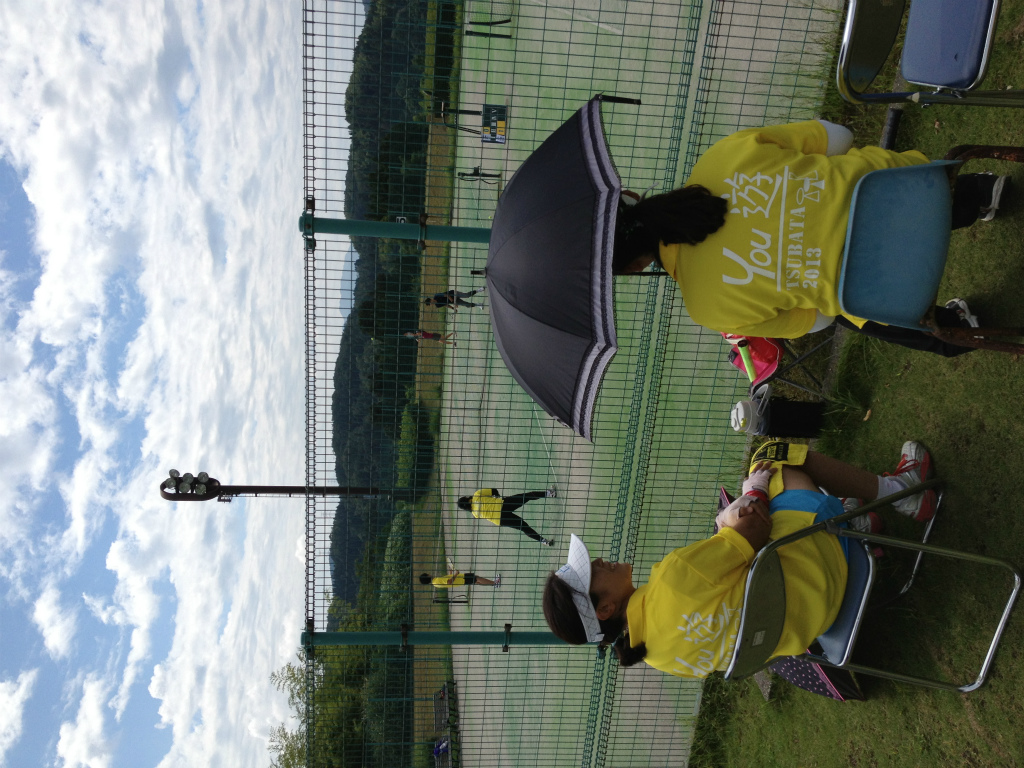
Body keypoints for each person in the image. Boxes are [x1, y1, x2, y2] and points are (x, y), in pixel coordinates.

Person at [541, 440, 936, 683]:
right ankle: (905, 492)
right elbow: (757, 527)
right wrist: (753, 492)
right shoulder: (673, 577)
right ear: (605, 609)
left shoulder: (656, 657)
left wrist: (727, 528)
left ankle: (857, 521)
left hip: (816, 624)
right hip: (819, 566)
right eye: (592, 572)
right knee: (773, 457)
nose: (600, 561)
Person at [611, 119, 1010, 357]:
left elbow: (817, 321)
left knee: (845, 305)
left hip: (882, 285)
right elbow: (839, 137)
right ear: (629, 195)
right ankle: (978, 193)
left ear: (634, 267)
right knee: (860, 190)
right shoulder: (718, 158)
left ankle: (957, 331)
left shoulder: (708, 310)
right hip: (915, 190)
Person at [458, 486, 558, 546]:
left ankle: (543, 541)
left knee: (524, 527)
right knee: (526, 496)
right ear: (466, 498)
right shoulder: (477, 495)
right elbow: (494, 491)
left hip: (500, 520)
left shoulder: (474, 514)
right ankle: (550, 493)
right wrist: (496, 497)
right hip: (503, 504)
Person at [419, 570, 500, 588]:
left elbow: (447, 581)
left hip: (461, 581)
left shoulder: (435, 583)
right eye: (427, 574)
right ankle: (495, 583)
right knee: (477, 578)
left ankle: (493, 584)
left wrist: (451, 574)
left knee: (476, 581)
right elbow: (449, 582)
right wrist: (456, 574)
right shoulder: (437, 580)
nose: (429, 574)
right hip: (461, 579)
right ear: (428, 576)